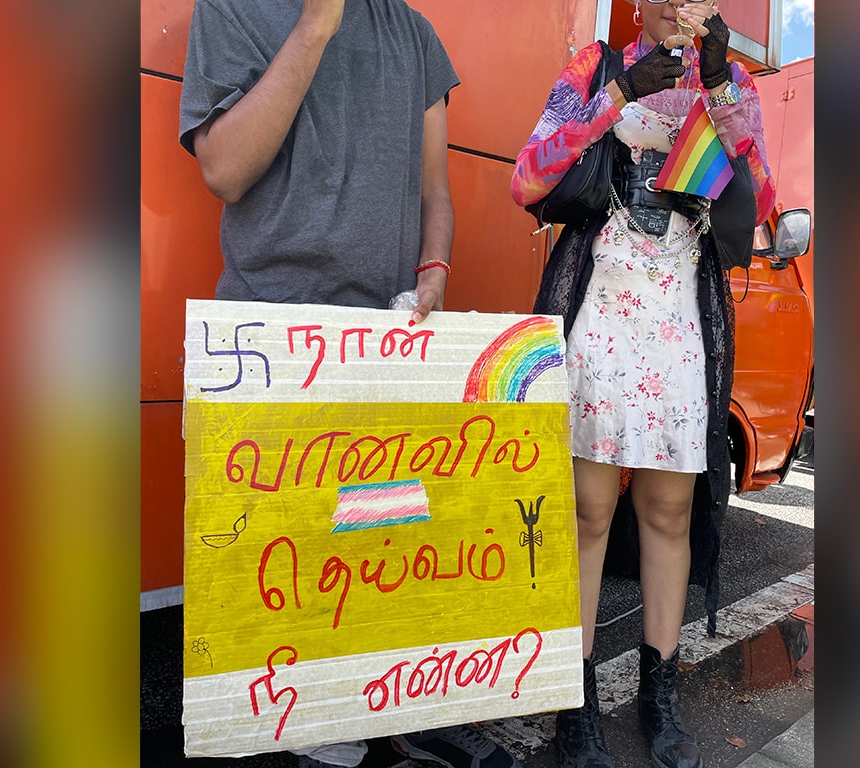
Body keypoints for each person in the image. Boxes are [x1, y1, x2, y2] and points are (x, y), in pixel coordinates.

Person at [179, 1, 521, 767]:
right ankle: (315, 743)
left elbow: (435, 188)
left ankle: (401, 718)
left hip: (384, 349)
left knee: (376, 566)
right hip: (269, 353)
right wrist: (317, 24)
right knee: (279, 596)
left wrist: (434, 267)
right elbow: (224, 170)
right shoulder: (231, 9)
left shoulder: (414, 32)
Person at [510, 1, 775, 767]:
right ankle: (574, 699)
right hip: (598, 304)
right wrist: (618, 95)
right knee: (588, 509)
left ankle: (661, 691)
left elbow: (756, 203)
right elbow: (526, 179)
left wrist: (723, 90)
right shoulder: (593, 68)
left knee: (668, 506)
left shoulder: (733, 82)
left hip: (679, 314)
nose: (677, 4)